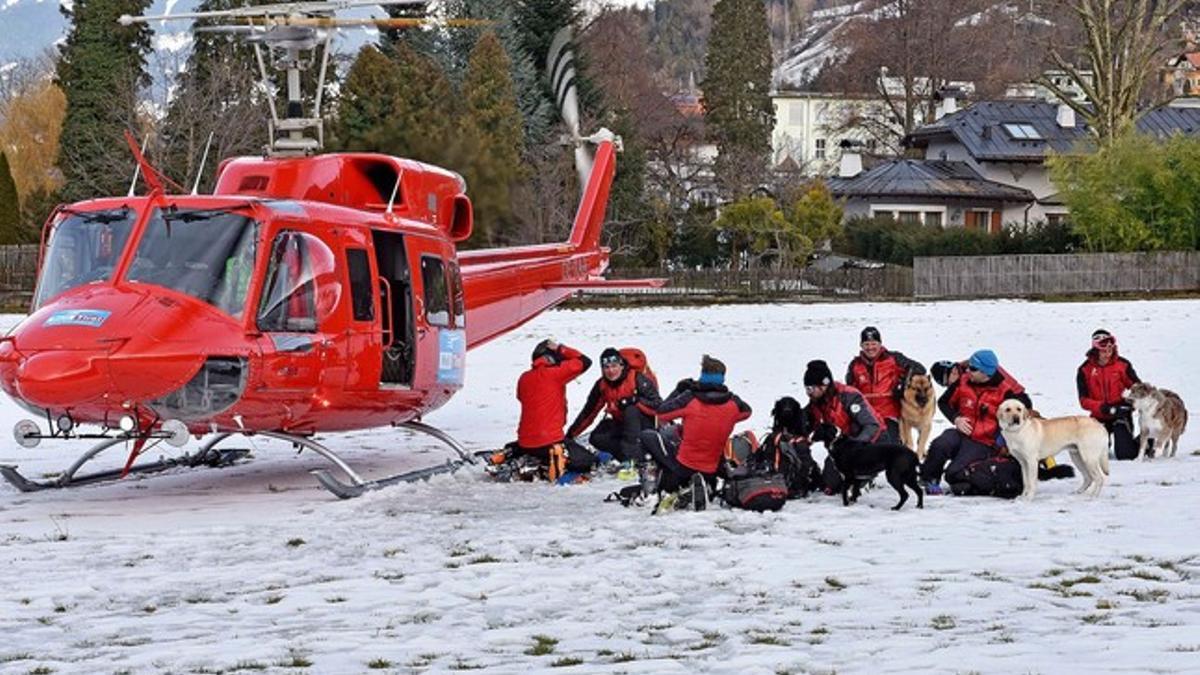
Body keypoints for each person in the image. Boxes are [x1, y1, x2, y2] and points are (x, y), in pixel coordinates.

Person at [639, 355, 752, 511]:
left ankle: (650, 488)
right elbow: (746, 412)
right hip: (712, 468)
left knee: (647, 436)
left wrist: (679, 391)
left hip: (684, 466)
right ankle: (703, 485)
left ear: (702, 376)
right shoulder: (733, 404)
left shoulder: (690, 398)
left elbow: (661, 413)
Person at [921, 349, 1031, 495]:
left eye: (973, 368)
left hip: (984, 442)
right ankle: (930, 480)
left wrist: (1003, 438)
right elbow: (944, 402)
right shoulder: (963, 381)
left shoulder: (1005, 391)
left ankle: (968, 481)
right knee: (941, 444)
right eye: (968, 367)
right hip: (962, 433)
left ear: (985, 372)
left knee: (953, 474)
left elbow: (1024, 408)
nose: (968, 371)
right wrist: (956, 418)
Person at [509, 339, 595, 480]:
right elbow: (585, 361)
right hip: (549, 441)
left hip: (525, 441)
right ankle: (547, 464)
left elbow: (521, 398)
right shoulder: (555, 374)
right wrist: (562, 349)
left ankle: (523, 456)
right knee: (589, 461)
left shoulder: (524, 378)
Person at [567, 347, 662, 469]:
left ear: (622, 366)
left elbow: (658, 406)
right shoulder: (602, 385)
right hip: (622, 424)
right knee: (597, 438)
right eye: (606, 367)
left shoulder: (637, 378)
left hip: (645, 427)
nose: (611, 371)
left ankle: (633, 459)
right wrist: (571, 435)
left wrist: (635, 401)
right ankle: (629, 455)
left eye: (614, 366)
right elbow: (589, 412)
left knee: (630, 410)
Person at [802, 359, 886, 494]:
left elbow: (872, 425)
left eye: (811, 388)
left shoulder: (849, 396)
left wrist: (857, 446)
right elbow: (805, 424)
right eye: (806, 389)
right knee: (831, 485)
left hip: (871, 442)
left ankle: (867, 476)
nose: (808, 392)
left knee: (850, 480)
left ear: (824, 385)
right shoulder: (816, 403)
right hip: (842, 448)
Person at [845, 326, 925, 441]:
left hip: (889, 414)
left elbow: (919, 369)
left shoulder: (894, 358)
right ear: (861, 346)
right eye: (866, 344)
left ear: (880, 344)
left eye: (874, 343)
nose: (870, 348)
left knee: (887, 447)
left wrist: (902, 384)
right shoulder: (855, 365)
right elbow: (850, 391)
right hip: (864, 415)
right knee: (855, 447)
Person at [1076, 329, 1141, 460]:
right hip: (1099, 416)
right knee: (1096, 455)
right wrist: (1102, 407)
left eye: (1110, 351)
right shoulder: (1084, 370)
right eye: (1104, 351)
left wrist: (1131, 404)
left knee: (1126, 455)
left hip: (1120, 414)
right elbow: (1084, 401)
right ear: (1096, 350)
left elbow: (1138, 389)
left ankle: (1149, 440)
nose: (1107, 354)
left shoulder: (1122, 365)